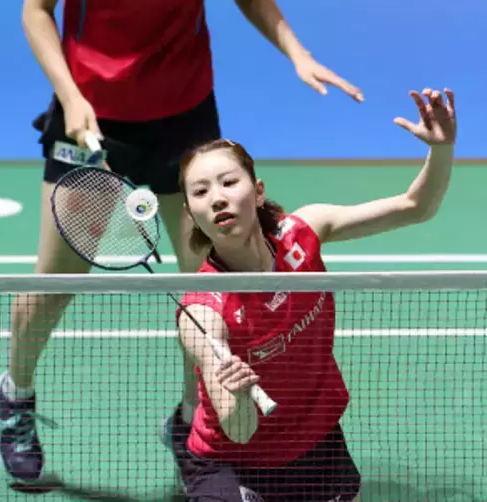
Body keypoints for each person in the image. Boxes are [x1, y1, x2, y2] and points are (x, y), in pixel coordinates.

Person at [0, 0, 363, 484]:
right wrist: (70, 95)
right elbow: (35, 9)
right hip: (92, 123)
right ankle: (17, 396)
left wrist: (296, 51)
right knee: (55, 283)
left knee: (205, 289)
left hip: (185, 122)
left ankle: (190, 413)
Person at [167, 88, 456, 501]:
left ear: (258, 191)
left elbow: (416, 206)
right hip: (235, 459)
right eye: (200, 192)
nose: (217, 198)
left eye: (229, 182)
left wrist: (441, 149)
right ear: (192, 213)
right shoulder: (202, 312)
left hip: (315, 441)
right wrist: (238, 395)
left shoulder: (302, 234)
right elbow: (239, 430)